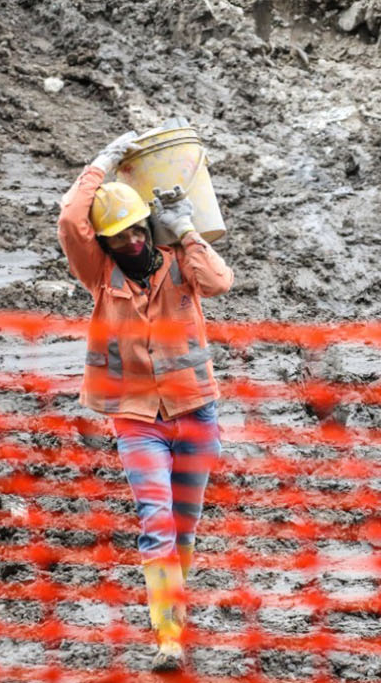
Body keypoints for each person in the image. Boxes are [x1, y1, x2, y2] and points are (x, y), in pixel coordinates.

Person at [57, 130, 234, 672]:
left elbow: (221, 282)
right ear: (105, 243)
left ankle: (171, 606)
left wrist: (187, 231)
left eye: (137, 229)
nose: (131, 241)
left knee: (184, 524)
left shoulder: (181, 259)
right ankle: (168, 635)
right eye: (118, 235)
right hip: (138, 420)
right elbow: (70, 221)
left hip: (196, 412)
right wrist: (103, 162)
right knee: (155, 521)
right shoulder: (100, 274)